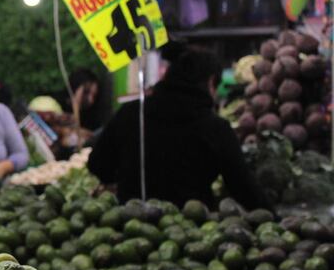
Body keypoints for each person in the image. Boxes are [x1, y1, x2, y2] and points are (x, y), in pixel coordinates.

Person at [88, 48, 263, 209]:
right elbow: (243, 187)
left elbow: (98, 164)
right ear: (211, 82)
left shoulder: (132, 113)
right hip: (192, 231)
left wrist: (129, 176)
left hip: (132, 230)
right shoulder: (215, 128)